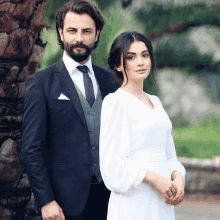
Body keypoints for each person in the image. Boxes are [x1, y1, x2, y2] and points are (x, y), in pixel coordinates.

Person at [21, 0, 120, 220]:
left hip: (111, 199)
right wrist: (46, 201)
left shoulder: (111, 81)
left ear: (97, 34)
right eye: (72, 30)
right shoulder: (41, 83)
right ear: (61, 33)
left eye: (86, 31)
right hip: (64, 204)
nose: (78, 38)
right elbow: (31, 149)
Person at [99, 31, 186, 220]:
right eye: (131, 57)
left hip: (162, 201)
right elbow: (112, 166)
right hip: (133, 201)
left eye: (145, 55)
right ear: (118, 65)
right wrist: (154, 179)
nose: (140, 62)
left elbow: (168, 153)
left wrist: (177, 176)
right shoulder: (116, 102)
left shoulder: (156, 102)